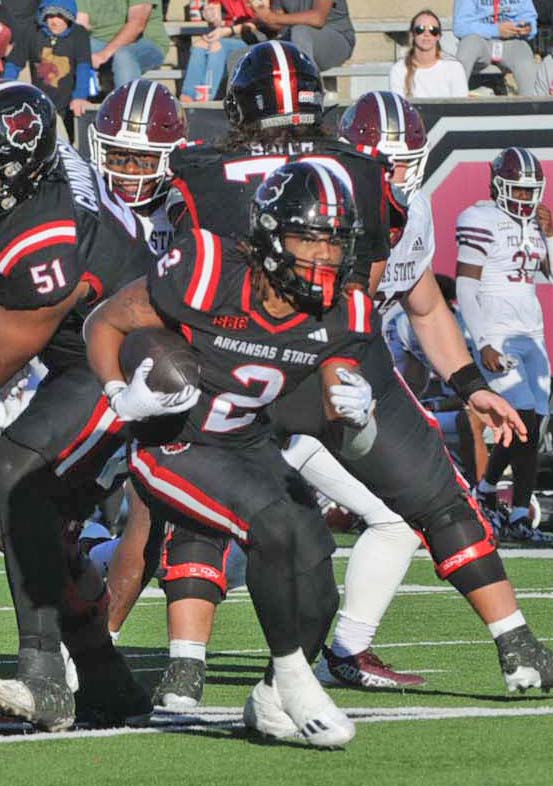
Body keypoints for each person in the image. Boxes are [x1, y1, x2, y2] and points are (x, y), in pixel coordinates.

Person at [85, 159, 378, 749]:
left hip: (246, 442)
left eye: (334, 242)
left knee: (316, 573)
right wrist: (120, 395)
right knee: (272, 525)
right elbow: (102, 323)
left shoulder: (344, 311)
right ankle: (296, 681)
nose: (325, 257)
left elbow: (348, 430)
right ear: (270, 236)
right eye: (310, 239)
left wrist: (361, 413)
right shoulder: (207, 272)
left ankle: (269, 698)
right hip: (174, 442)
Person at [0, 81, 159, 732]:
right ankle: (105, 681)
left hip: (128, 361)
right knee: (35, 514)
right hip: (81, 346)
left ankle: (43, 676)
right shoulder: (39, 170)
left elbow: (9, 351)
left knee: (16, 481)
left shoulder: (46, 232)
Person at [456, 146, 553, 544]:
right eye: (519, 189)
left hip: (532, 332)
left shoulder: (536, 224)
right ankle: (514, 512)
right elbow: (466, 284)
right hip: (496, 330)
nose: (526, 198)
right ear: (498, 186)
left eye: (531, 190)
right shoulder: (479, 218)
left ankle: (488, 493)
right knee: (523, 419)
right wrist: (483, 342)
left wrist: (550, 235)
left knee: (533, 425)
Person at [4, 1, 91, 141]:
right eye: (50, 15)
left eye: (61, 16)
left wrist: (80, 96)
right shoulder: (32, 31)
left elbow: (83, 67)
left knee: (67, 140)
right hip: (39, 101)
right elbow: (14, 62)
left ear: (69, 17)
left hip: (67, 103)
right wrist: (8, 89)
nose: (55, 21)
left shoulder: (79, 34)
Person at [76, 1, 169, 89]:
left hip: (143, 43)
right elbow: (81, 24)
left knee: (123, 55)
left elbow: (136, 25)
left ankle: (127, 99)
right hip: (99, 42)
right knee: (69, 50)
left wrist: (104, 55)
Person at [179, 0, 258, 103]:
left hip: (251, 40)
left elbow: (260, 23)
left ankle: (208, 94)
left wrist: (228, 30)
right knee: (199, 46)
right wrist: (211, 17)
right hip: (226, 37)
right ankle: (188, 94)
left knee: (216, 46)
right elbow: (217, 19)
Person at [453, 0, 538, 96]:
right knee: (467, 47)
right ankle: (454, 99)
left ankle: (532, 103)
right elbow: (460, 27)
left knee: (525, 58)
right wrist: (496, 30)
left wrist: (526, 29)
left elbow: (531, 21)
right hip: (480, 41)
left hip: (511, 43)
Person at [247, 0, 355, 72]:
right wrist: (261, 13)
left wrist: (272, 18)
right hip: (298, 38)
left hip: (337, 40)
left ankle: (308, 87)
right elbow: (278, 22)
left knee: (300, 31)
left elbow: (318, 18)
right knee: (248, 53)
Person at [389, 9, 468, 98]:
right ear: (412, 34)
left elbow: (460, 105)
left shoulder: (454, 67)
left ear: (438, 36)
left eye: (433, 30)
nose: (426, 34)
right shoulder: (399, 69)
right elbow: (399, 105)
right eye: (420, 29)